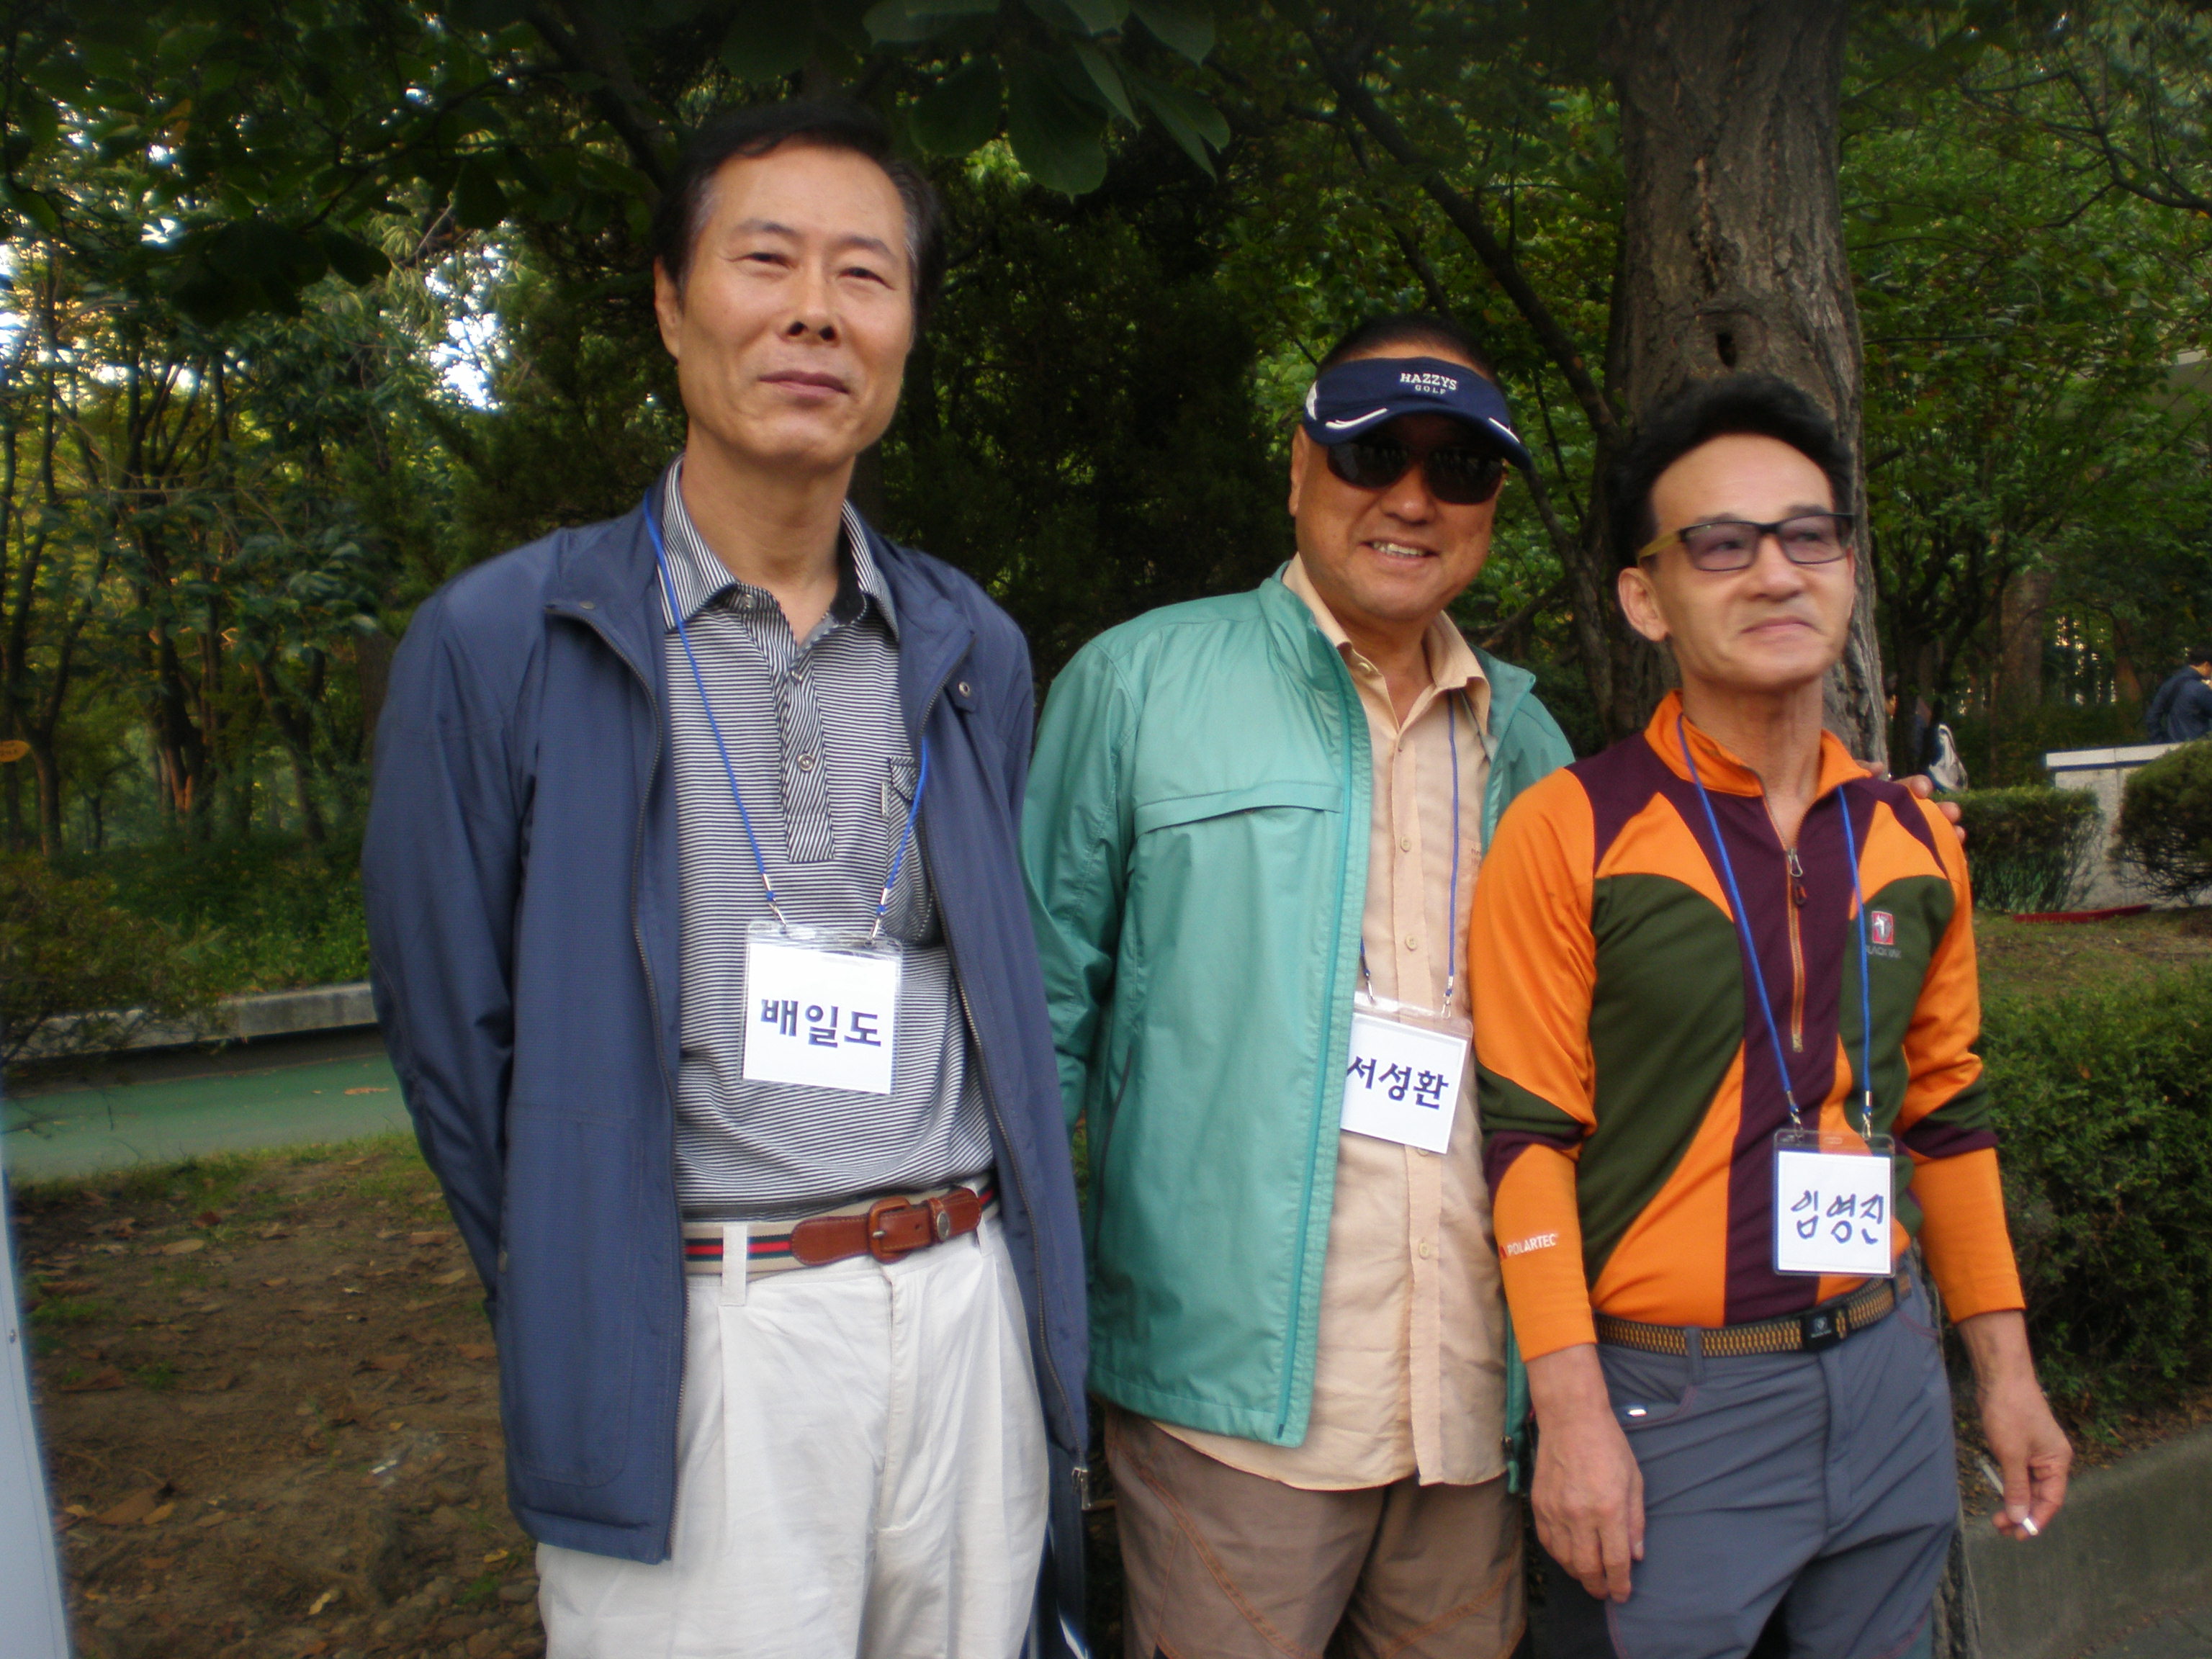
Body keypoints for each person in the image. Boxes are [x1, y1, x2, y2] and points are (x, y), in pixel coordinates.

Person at [361, 101, 1087, 1659]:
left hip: (961, 1308)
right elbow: (453, 1043)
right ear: (671, 303)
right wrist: (585, 1281)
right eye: (766, 260)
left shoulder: (970, 646)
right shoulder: (504, 642)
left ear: (906, 329)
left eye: (864, 274)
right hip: (699, 1333)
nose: (816, 311)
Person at [1471, 374, 2071, 1659]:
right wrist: (1569, 1413)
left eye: (1808, 536)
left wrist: (2005, 1374)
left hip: (1885, 1369)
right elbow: (1524, 1138)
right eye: (1721, 545)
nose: (1776, 573)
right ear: (1647, 597)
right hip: (1671, 1395)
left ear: (1847, 570)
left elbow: (1948, 1115)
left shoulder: (1914, 837)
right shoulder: (1570, 828)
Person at [1024, 314, 1574, 1658]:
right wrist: (1027, 1344)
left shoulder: (1529, 741)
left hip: (1466, 1404)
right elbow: (1035, 1032)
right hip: (1224, 1417)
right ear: (1297, 466)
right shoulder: (1136, 686)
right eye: (1374, 450)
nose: (1412, 497)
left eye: (1459, 467)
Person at [2144, 648, 2212, 743]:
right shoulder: (2200, 689)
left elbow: (2153, 716)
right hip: (2198, 744)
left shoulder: (2169, 684)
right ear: (2206, 665)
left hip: (2172, 744)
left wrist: (2158, 742)